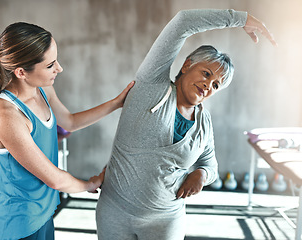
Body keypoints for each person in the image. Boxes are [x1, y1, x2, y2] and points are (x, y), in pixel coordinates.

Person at [96, 9, 276, 240]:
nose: (208, 85)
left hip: (166, 219)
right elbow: (183, 22)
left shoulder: (203, 122)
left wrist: (201, 174)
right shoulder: (151, 86)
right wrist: (241, 19)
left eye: (216, 85)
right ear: (187, 65)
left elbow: (211, 166)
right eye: (206, 73)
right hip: (115, 211)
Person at [0, 22, 134, 240]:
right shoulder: (6, 115)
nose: (59, 68)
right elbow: (55, 180)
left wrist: (117, 103)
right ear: (21, 72)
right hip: (19, 222)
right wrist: (91, 184)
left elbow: (69, 121)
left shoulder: (42, 88)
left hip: (43, 212)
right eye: (50, 65)